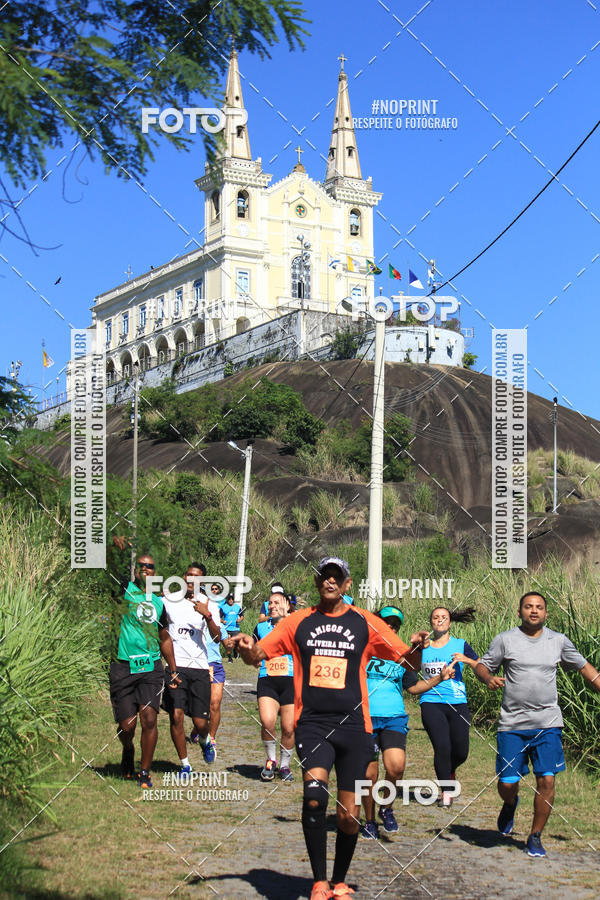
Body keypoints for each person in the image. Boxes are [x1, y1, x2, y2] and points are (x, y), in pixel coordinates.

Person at [232, 556, 429, 900]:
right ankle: (319, 881)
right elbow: (259, 654)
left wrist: (417, 645)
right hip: (313, 724)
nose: (331, 582)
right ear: (317, 582)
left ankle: (339, 881)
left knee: (348, 815)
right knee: (313, 799)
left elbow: (407, 660)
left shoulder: (364, 623)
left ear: (347, 584)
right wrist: (248, 649)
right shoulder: (297, 623)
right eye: (325, 576)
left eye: (337, 577)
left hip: (355, 728)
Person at [475, 591, 600, 858]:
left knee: (546, 779)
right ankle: (509, 804)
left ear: (546, 613)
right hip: (512, 724)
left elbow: (586, 668)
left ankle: (534, 836)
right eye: (528, 607)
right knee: (508, 782)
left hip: (548, 723)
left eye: (539, 607)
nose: (534, 611)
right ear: (519, 611)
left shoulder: (558, 641)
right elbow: (482, 666)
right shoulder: (505, 640)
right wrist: (488, 678)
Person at [361, 606, 456, 838]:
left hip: (394, 717)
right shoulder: (362, 650)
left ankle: (387, 808)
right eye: (386, 622)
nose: (390, 627)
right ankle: (370, 820)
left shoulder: (403, 654)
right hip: (366, 718)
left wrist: (438, 678)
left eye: (395, 624)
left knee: (396, 767)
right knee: (368, 775)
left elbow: (413, 687)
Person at [109, 554, 180, 789]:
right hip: (124, 666)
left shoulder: (159, 603)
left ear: (155, 573)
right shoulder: (125, 592)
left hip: (151, 668)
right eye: (141, 567)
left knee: (149, 718)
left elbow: (164, 637)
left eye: (150, 567)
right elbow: (112, 570)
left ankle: (144, 771)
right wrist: (114, 549)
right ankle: (128, 750)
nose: (145, 570)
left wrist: (173, 668)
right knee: (127, 725)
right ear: (135, 571)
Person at [162, 563, 221, 770]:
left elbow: (217, 637)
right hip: (176, 667)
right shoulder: (167, 601)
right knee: (176, 715)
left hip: (199, 668)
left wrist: (207, 614)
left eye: (196, 577)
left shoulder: (209, 603)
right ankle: (185, 765)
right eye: (188, 575)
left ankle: (205, 741)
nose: (191, 580)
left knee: (200, 723)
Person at [420, 605, 479, 808]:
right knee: (442, 747)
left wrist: (467, 660)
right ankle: (446, 791)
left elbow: (481, 666)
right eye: (436, 617)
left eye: (444, 617)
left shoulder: (460, 645)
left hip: (457, 702)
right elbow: (408, 666)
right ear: (431, 622)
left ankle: (449, 771)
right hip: (431, 702)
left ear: (450, 622)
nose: (440, 620)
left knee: (461, 751)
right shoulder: (423, 647)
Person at [253, 592, 295, 782]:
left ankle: (285, 765)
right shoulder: (261, 627)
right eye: (270, 603)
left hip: (291, 680)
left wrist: (287, 618)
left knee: (288, 727)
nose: (272, 606)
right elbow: (254, 650)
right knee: (268, 722)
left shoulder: (296, 625)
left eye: (277, 602)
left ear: (287, 605)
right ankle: (271, 760)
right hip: (267, 678)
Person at [220, 592, 244, 661]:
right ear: (227, 600)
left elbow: (242, 616)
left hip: (235, 628)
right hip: (227, 628)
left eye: (232, 599)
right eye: (229, 599)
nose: (230, 600)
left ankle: (236, 652)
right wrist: (222, 621)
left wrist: (239, 620)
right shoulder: (223, 608)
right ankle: (230, 658)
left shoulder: (237, 607)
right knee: (228, 644)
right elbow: (219, 617)